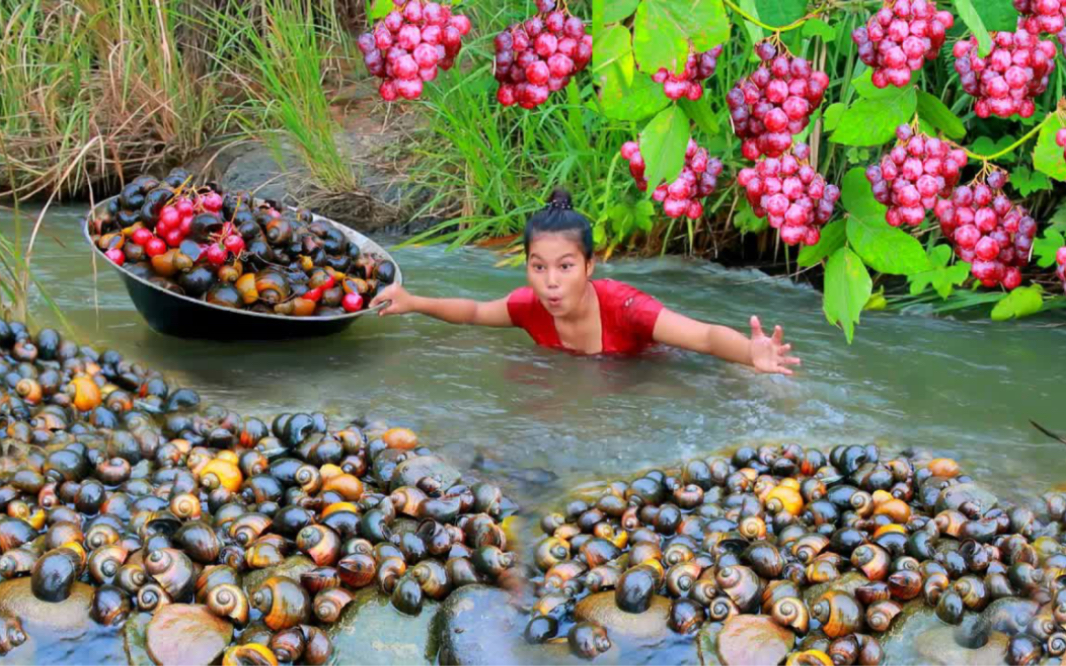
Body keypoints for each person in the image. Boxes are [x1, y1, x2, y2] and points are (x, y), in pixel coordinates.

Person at [369, 190, 800, 375]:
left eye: (565, 267)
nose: (551, 283)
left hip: (653, 372)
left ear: (590, 265)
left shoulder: (625, 307)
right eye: (538, 267)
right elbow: (476, 312)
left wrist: (749, 353)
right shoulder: (528, 307)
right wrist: (413, 301)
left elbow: (703, 338)